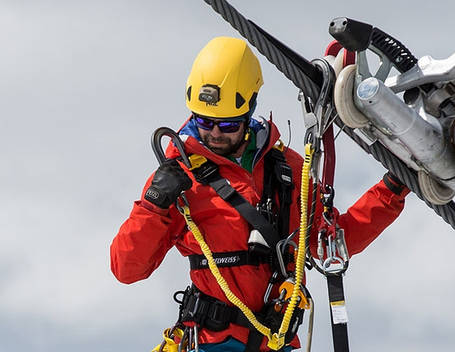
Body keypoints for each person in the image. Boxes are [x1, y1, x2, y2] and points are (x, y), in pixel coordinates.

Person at [110, 37, 409, 352]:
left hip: (276, 339)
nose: (214, 133)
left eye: (226, 125)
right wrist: (153, 207)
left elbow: (331, 242)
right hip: (213, 342)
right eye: (205, 122)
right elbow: (127, 269)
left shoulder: (286, 169)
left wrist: (391, 189)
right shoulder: (177, 178)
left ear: (247, 112)